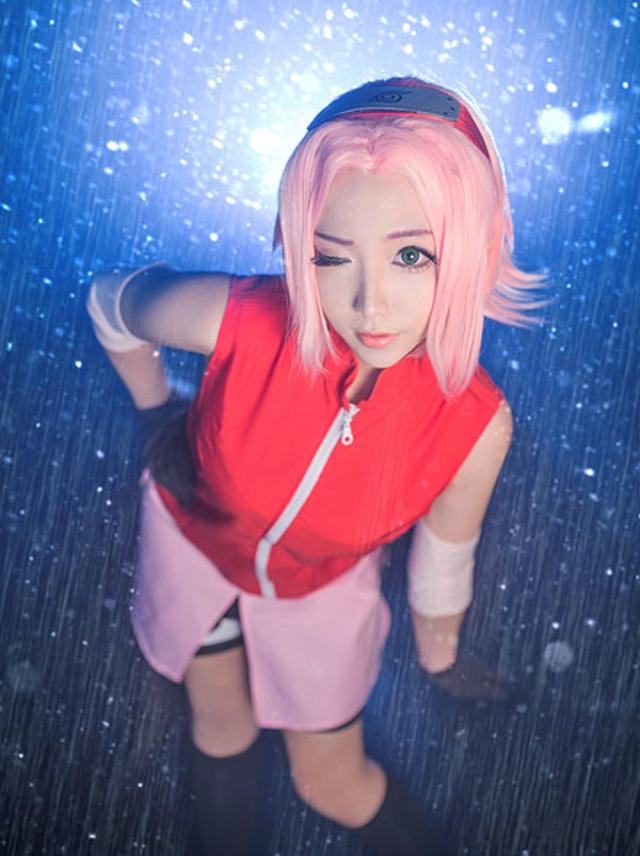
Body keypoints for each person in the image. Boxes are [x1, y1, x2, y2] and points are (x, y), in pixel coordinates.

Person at [87, 77, 542, 855]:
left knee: (333, 784)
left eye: (411, 255)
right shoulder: (237, 319)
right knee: (220, 726)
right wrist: (153, 409)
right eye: (332, 257)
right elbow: (110, 302)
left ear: (470, 249)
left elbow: (446, 553)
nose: (370, 305)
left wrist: (438, 657)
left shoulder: (474, 423)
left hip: (322, 589)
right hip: (191, 544)